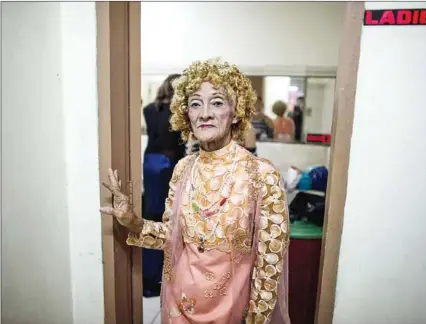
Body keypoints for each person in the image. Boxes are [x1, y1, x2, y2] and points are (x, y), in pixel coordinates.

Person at [100, 58, 290, 324]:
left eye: (217, 102)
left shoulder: (261, 175)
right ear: (186, 114)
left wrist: (255, 319)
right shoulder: (183, 169)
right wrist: (133, 221)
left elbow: (269, 264)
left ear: (236, 112)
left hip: (232, 311)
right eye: (195, 103)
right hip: (180, 305)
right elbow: (171, 237)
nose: (205, 113)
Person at [141, 74, 186, 297]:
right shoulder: (179, 113)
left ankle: (149, 280)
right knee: (169, 221)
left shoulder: (150, 108)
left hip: (149, 163)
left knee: (151, 218)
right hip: (168, 166)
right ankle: (163, 278)